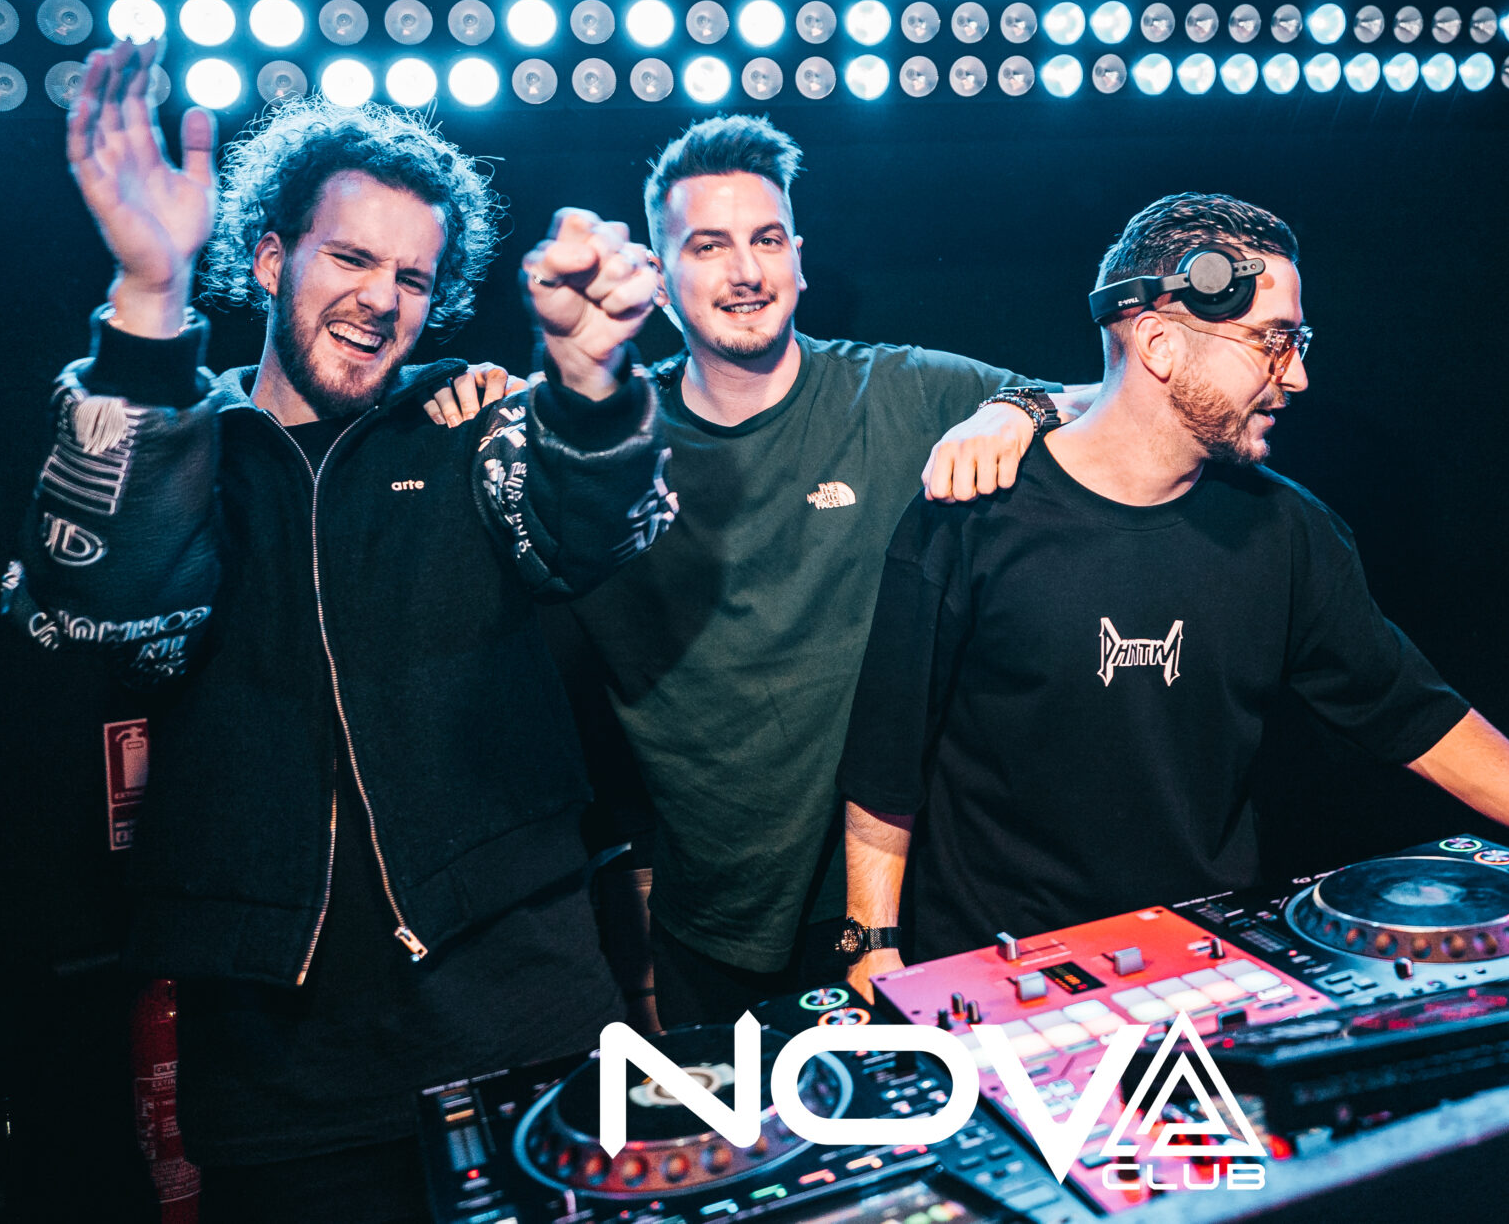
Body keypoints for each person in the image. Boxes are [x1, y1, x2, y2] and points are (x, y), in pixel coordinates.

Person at [5, 41, 669, 1224]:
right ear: (270, 259)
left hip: (525, 1021)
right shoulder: (180, 444)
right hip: (283, 1069)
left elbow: (587, 530)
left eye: (413, 277)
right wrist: (150, 296)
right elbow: (103, 606)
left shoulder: (467, 426)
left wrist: (586, 384)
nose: (380, 297)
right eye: (351, 257)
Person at [837, 192, 1509, 988]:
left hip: (1208, 963)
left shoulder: (1287, 531)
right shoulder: (971, 512)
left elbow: (1419, 719)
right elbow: (885, 766)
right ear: (1161, 343)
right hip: (1004, 975)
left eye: (1299, 340)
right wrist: (871, 952)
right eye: (1271, 341)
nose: (1295, 376)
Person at [432, 115, 1093, 1029]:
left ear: (800, 261)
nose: (745, 270)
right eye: (709, 245)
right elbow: (550, 501)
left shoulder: (902, 390)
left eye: (768, 239)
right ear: (658, 274)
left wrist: (1016, 409)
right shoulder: (613, 442)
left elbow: (1102, 403)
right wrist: (483, 388)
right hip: (713, 925)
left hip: (907, 911)